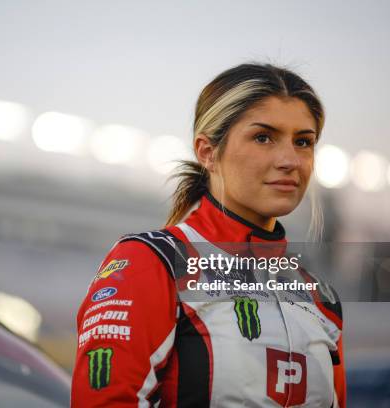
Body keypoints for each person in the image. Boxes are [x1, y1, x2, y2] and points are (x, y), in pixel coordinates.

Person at [71, 63, 345, 407]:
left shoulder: (320, 298)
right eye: (263, 137)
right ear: (207, 152)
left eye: (303, 141)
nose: (290, 159)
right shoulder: (152, 263)